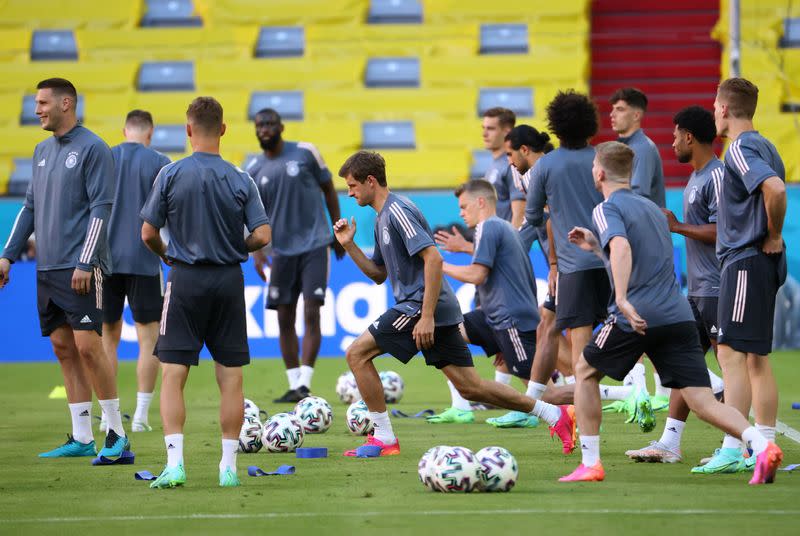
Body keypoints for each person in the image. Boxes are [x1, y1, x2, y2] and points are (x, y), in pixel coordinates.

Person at [562, 141, 781, 485]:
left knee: (585, 371)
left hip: (637, 314)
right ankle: (759, 444)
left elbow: (621, 247)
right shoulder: (652, 209)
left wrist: (621, 298)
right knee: (702, 400)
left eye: (593, 166)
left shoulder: (606, 208)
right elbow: (635, 252)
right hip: (677, 314)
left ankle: (590, 463)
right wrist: (594, 245)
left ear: (600, 172)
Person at [332, 150, 576, 456]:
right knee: (471, 387)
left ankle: (384, 437)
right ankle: (555, 414)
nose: (350, 192)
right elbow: (378, 274)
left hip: (420, 305)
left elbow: (433, 258)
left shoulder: (398, 211)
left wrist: (427, 316)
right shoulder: (384, 217)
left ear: (370, 181)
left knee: (356, 354)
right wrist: (350, 245)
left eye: (353, 185)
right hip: (428, 307)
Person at [140, 97, 271, 488]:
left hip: (185, 280)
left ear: (188, 130)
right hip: (229, 281)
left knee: (173, 374)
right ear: (225, 130)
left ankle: (176, 464)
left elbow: (147, 232)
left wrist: (166, 254)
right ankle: (228, 467)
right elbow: (263, 234)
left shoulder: (170, 174)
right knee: (231, 379)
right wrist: (234, 247)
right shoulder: (240, 177)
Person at [0, 78, 129, 460]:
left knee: (89, 346)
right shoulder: (41, 150)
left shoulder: (93, 149)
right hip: (47, 268)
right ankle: (82, 436)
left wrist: (85, 261)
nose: (36, 110)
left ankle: (117, 436)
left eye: (42, 103)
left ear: (66, 103)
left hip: (81, 267)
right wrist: (7, 254)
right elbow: (30, 210)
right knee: (63, 348)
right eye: (36, 104)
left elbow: (101, 209)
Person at [523, 92, 640, 426]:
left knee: (581, 362)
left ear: (556, 125)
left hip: (574, 270)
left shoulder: (545, 165)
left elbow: (532, 217)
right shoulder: (601, 158)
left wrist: (554, 210)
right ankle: (639, 388)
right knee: (631, 331)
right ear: (590, 123)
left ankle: (587, 436)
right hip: (611, 261)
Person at [692, 77, 787, 474]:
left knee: (731, 353)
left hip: (746, 260)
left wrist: (774, 234)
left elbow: (776, 189)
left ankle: (736, 446)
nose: (714, 114)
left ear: (725, 109)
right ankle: (762, 444)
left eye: (715, 108)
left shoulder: (740, 148)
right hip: (756, 262)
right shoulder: (767, 144)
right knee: (754, 359)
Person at [626, 106, 726, 464]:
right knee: (684, 367)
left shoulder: (716, 177)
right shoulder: (697, 177)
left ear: (688, 136)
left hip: (717, 288)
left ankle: (743, 445)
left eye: (674, 135)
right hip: (698, 290)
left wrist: (678, 226)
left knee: (731, 369)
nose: (671, 143)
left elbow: (725, 232)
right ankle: (670, 443)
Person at [246, 108, 344, 403]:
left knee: (312, 311)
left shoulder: (305, 153)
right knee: (284, 317)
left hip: (315, 244)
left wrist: (337, 228)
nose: (265, 128)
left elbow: (329, 189)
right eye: (260, 124)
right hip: (280, 251)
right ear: (255, 129)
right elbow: (251, 215)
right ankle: (293, 384)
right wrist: (258, 251)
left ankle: (305, 381)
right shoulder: (252, 168)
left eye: (270, 123)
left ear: (281, 126)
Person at [430, 180, 539, 425]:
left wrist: (438, 264)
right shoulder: (501, 228)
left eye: (464, 206)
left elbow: (477, 275)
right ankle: (462, 403)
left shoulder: (488, 227)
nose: (460, 213)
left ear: (480, 202)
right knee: (444, 329)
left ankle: (624, 394)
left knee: (545, 390)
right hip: (494, 315)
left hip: (510, 318)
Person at [102, 109, 171, 433]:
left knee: (106, 339)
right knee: (148, 340)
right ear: (150, 132)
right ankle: (141, 416)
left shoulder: (105, 157)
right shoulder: (159, 161)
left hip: (105, 260)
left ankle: (107, 416)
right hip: (145, 260)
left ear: (125, 129)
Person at [609, 87, 666, 207]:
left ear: (636, 115)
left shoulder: (642, 149)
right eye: (613, 109)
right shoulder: (624, 146)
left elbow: (638, 197)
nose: (612, 114)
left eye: (620, 109)